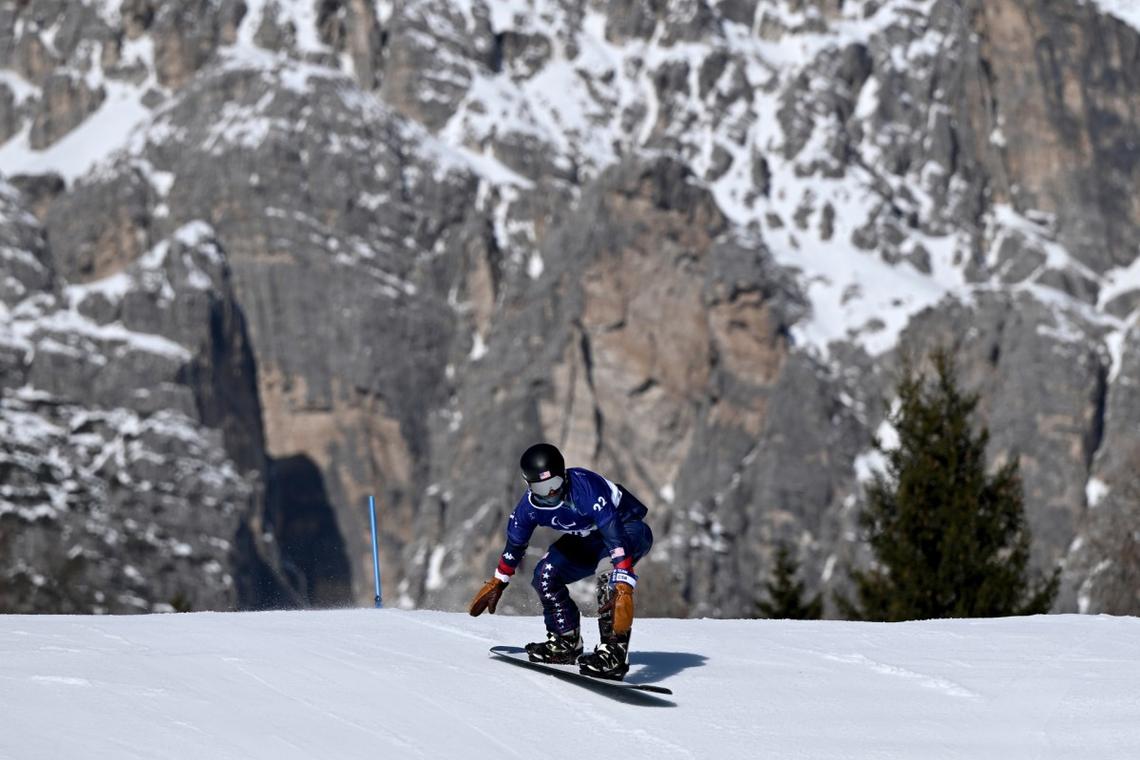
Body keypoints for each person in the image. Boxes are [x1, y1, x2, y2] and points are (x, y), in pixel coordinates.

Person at [468, 442, 653, 680]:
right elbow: (514, 546)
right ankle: (566, 642)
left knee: (610, 577)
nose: (550, 494)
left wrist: (624, 584)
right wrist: (499, 581)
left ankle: (614, 653)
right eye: (541, 488)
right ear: (528, 485)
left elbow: (614, 537)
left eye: (554, 484)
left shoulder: (587, 489)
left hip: (628, 529)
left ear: (564, 476)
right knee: (544, 576)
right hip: (589, 539)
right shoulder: (528, 508)